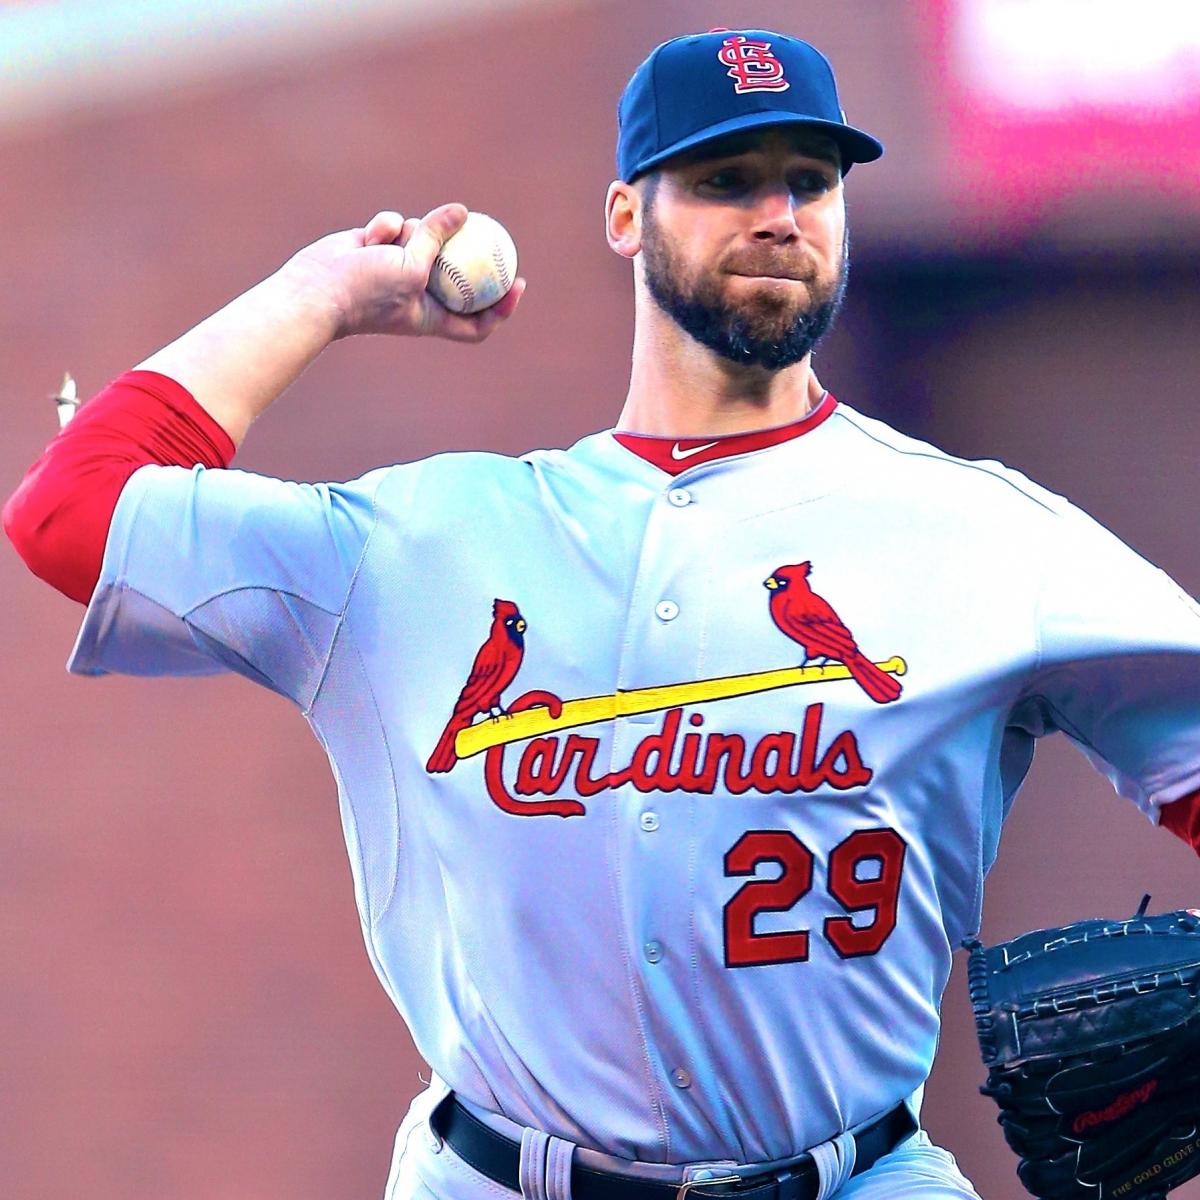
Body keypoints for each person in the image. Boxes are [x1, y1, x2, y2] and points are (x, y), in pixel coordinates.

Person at [6, 26, 1200, 1200]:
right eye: (726, 180)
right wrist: (317, 292)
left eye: (810, 181)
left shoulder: (984, 535)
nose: (777, 215)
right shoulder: (423, 542)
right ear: (626, 215)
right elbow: (70, 513)